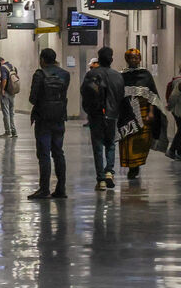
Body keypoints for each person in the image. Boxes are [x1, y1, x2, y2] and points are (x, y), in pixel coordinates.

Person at [117, 48, 166, 180]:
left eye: (136, 57)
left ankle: (137, 165)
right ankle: (132, 167)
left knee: (142, 141)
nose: (134, 60)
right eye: (131, 57)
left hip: (143, 113)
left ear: (140, 59)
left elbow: (152, 95)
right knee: (128, 139)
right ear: (127, 59)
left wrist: (151, 112)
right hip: (127, 114)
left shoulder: (146, 75)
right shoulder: (122, 75)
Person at [28, 47, 70, 199]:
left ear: (42, 60)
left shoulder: (39, 74)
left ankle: (44, 189)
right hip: (59, 118)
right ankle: (61, 188)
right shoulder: (65, 74)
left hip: (43, 119)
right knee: (58, 152)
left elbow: (32, 98)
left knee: (44, 154)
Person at [80, 47, 124, 190]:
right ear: (111, 59)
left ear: (98, 59)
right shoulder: (118, 76)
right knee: (111, 144)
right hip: (112, 116)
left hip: (96, 115)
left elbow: (85, 93)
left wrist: (89, 110)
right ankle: (109, 172)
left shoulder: (91, 74)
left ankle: (101, 180)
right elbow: (121, 96)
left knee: (97, 146)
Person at [0, 56, 17, 138]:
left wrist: (2, 90)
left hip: (6, 93)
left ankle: (8, 132)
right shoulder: (12, 66)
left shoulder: (3, 68)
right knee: (12, 112)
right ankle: (14, 132)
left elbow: (5, 79)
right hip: (12, 92)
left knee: (6, 112)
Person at [167, 70, 181, 159]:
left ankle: (178, 152)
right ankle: (172, 150)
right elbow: (173, 96)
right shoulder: (179, 82)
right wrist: (170, 106)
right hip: (178, 111)